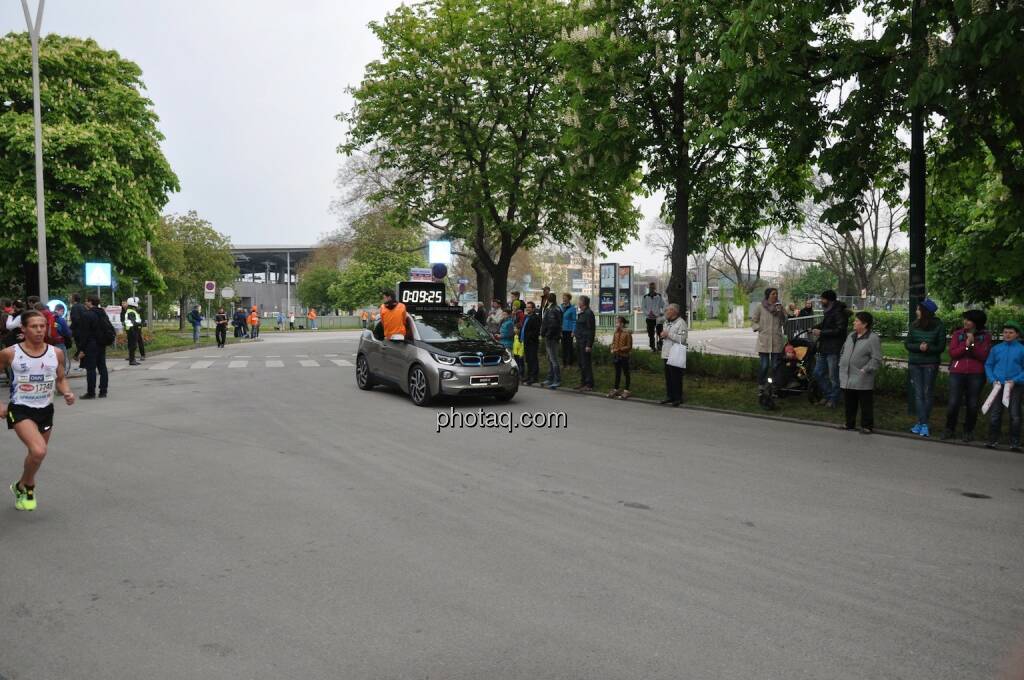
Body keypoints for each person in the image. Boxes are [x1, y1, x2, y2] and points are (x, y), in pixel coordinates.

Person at [1, 310, 76, 511]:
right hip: (20, 408)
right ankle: (30, 486)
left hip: (45, 409)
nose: (39, 330)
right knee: (39, 450)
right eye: (34, 326)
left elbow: (60, 379)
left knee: (36, 455)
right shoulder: (10, 353)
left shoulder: (56, 353)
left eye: (42, 326)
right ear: (23, 329)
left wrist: (67, 392)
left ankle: (21, 485)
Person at [944, 310, 992, 441]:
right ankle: (949, 429)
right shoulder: (958, 334)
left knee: (972, 404)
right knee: (953, 403)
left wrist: (972, 345)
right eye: (965, 319)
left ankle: (968, 431)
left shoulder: (985, 336)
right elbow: (953, 353)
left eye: (969, 320)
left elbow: (984, 356)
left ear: (977, 323)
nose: (965, 322)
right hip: (957, 372)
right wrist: (965, 347)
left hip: (976, 374)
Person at [905, 298, 946, 438]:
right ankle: (923, 423)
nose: (916, 311)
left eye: (918, 309)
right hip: (915, 363)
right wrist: (918, 347)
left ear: (924, 311)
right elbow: (907, 344)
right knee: (919, 394)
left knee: (927, 393)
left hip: (930, 364)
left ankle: (922, 423)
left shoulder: (939, 326)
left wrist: (928, 348)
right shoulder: (913, 325)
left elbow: (941, 347)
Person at [838, 311, 882, 434]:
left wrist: (866, 369)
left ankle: (867, 426)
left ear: (865, 324)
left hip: (862, 376)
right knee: (849, 402)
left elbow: (876, 358)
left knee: (865, 403)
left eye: (857, 321)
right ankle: (849, 423)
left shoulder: (873, 338)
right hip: (847, 375)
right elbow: (843, 351)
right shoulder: (851, 335)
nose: (854, 322)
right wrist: (841, 362)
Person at [984, 320, 1024, 452]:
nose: (1007, 335)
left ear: (1017, 334)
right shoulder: (996, 349)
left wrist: (1016, 380)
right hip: (998, 385)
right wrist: (992, 379)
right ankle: (992, 440)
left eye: (1011, 332)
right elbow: (988, 365)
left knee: (1015, 414)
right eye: (1005, 332)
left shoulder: (1021, 350)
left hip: (1015, 385)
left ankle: (1015, 442)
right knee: (995, 413)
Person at [812, 290, 849, 408]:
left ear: (829, 300)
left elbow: (840, 330)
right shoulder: (829, 310)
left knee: (833, 376)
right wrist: (814, 328)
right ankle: (828, 395)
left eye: (823, 299)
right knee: (818, 373)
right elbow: (826, 324)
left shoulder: (839, 312)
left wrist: (822, 332)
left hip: (834, 348)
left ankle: (833, 399)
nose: (821, 301)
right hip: (824, 347)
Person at [751, 287, 786, 395]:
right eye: (773, 294)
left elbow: (784, 321)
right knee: (764, 365)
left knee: (775, 366)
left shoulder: (779, 307)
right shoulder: (760, 306)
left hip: (776, 340)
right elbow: (754, 320)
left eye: (776, 294)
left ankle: (774, 387)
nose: (775, 295)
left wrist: (782, 313)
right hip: (764, 341)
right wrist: (759, 328)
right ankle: (761, 386)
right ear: (768, 295)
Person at [75, 296, 110, 399]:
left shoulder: (87, 315)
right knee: (102, 367)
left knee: (91, 369)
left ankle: (91, 392)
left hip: (91, 345)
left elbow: (84, 333)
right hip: (101, 343)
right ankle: (103, 391)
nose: (85, 303)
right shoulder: (102, 313)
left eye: (86, 301)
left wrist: (80, 348)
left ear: (90, 302)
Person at [660, 303, 688, 406]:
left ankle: (678, 398)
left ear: (674, 311)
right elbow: (666, 335)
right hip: (667, 353)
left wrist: (669, 334)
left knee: (676, 377)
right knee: (668, 377)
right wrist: (663, 335)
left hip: (676, 354)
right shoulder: (666, 322)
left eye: (668, 310)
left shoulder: (681, 323)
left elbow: (682, 339)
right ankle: (670, 396)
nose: (666, 312)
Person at [540, 293, 563, 389]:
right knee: (550, 359)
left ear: (548, 300)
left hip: (552, 338)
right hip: (551, 337)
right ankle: (550, 378)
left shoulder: (553, 309)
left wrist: (547, 334)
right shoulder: (551, 308)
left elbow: (553, 324)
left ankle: (557, 380)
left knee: (553, 359)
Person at [574, 295, 596, 391]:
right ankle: (583, 383)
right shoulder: (582, 313)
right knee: (581, 363)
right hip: (579, 341)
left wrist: (588, 345)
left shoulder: (589, 313)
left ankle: (589, 384)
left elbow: (591, 330)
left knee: (586, 363)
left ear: (583, 303)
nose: (578, 302)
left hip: (585, 342)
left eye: (579, 301)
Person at [608, 315, 633, 399]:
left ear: (622, 324)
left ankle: (627, 390)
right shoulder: (616, 333)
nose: (616, 324)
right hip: (616, 356)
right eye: (616, 323)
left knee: (626, 373)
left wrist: (618, 349)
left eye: (617, 322)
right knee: (617, 373)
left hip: (624, 356)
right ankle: (616, 389)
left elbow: (629, 346)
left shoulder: (627, 333)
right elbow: (613, 342)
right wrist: (612, 347)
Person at [641, 282, 666, 351]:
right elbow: (643, 307)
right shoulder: (645, 297)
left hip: (658, 318)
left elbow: (664, 305)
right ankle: (652, 347)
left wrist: (662, 312)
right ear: (649, 288)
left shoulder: (659, 296)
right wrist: (648, 313)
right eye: (650, 288)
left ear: (655, 288)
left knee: (660, 333)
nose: (652, 289)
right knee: (651, 333)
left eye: (653, 288)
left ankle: (660, 345)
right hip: (649, 318)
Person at [520, 301, 540, 385]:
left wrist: (528, 337)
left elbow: (535, 331)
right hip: (525, 342)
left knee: (533, 359)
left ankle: (534, 377)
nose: (527, 308)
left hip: (532, 342)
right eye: (527, 307)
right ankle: (529, 376)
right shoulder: (526, 317)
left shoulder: (535, 318)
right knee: (528, 360)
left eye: (529, 307)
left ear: (533, 308)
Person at [51, 303, 73, 376]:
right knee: (62, 360)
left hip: (51, 343)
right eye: (62, 312)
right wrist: (70, 333)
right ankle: (61, 376)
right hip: (60, 342)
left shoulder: (50, 317)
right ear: (61, 310)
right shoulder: (61, 319)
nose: (62, 313)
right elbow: (66, 332)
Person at [123, 297, 145, 365]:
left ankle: (132, 359)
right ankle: (132, 360)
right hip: (132, 330)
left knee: (132, 345)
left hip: (132, 330)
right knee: (133, 346)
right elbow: (134, 322)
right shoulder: (131, 312)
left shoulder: (132, 311)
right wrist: (141, 323)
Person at [560, 293, 576, 366]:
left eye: (565, 298)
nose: (564, 299)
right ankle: (564, 363)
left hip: (569, 331)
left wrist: (573, 331)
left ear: (569, 299)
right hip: (562, 330)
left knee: (569, 347)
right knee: (563, 346)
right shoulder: (560, 307)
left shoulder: (572, 308)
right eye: (563, 298)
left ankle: (570, 363)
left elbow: (574, 321)